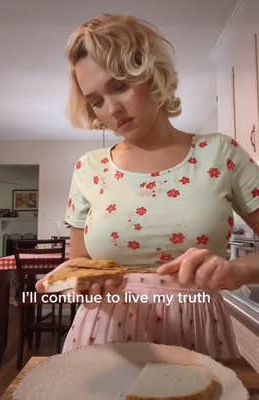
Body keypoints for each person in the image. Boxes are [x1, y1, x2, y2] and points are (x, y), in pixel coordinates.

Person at [37, 13, 259, 360]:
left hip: (197, 331)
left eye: (120, 86)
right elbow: (80, 261)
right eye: (96, 100)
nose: (111, 110)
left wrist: (236, 271)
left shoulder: (220, 153)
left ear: (152, 74)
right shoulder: (88, 168)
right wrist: (76, 282)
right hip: (103, 335)